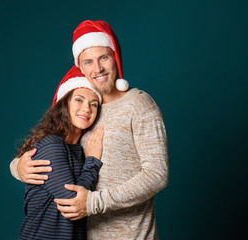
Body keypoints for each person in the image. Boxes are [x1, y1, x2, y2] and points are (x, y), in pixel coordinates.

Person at [11, 20, 169, 239]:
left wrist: (94, 202)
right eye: (89, 61)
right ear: (81, 67)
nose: (98, 68)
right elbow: (53, 153)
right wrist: (18, 167)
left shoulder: (139, 104)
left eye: (104, 57)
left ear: (116, 57)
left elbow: (157, 174)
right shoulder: (82, 114)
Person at [17, 66, 104, 240]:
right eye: (79, 100)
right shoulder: (51, 144)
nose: (87, 109)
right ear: (64, 104)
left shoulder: (79, 151)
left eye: (93, 104)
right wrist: (93, 161)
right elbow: (72, 202)